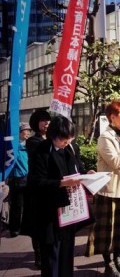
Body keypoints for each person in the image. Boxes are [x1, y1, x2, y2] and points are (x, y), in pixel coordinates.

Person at [86, 101, 120, 277]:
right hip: (108, 191)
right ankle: (108, 264)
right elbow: (115, 162)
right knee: (107, 231)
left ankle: (118, 259)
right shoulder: (105, 137)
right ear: (112, 117)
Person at [27, 116, 83, 277]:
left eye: (69, 139)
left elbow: (77, 167)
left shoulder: (69, 149)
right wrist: (61, 183)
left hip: (68, 209)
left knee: (67, 251)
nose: (66, 143)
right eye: (63, 140)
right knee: (52, 254)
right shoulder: (41, 150)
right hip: (49, 212)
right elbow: (36, 182)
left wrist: (87, 174)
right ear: (53, 135)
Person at [21, 109, 51, 269]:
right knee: (36, 224)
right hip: (36, 188)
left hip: (50, 186)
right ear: (36, 123)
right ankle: (38, 255)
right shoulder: (33, 141)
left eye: (48, 121)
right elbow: (44, 150)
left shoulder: (52, 139)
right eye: (43, 121)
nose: (46, 124)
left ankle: (45, 252)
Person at [8, 123, 31, 238]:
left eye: (29, 131)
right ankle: (14, 228)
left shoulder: (30, 145)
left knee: (27, 204)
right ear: (20, 132)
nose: (28, 133)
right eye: (25, 131)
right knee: (17, 205)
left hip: (29, 177)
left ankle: (24, 227)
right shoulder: (14, 145)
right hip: (17, 178)